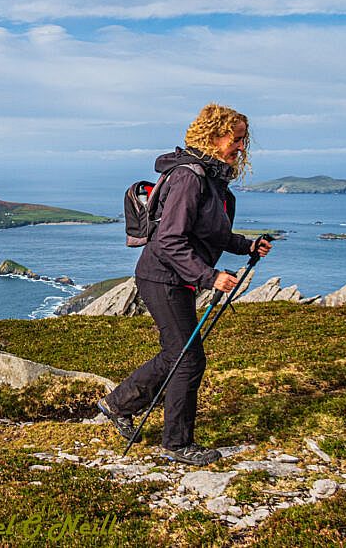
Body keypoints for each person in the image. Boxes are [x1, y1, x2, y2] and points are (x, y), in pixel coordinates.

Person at [98, 103, 273, 466]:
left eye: (243, 140)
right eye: (236, 139)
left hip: (177, 277)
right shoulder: (189, 178)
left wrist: (246, 246)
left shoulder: (211, 179)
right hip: (162, 278)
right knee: (187, 358)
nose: (241, 147)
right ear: (214, 136)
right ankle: (177, 444)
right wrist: (210, 276)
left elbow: (210, 231)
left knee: (176, 353)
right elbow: (169, 241)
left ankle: (117, 404)